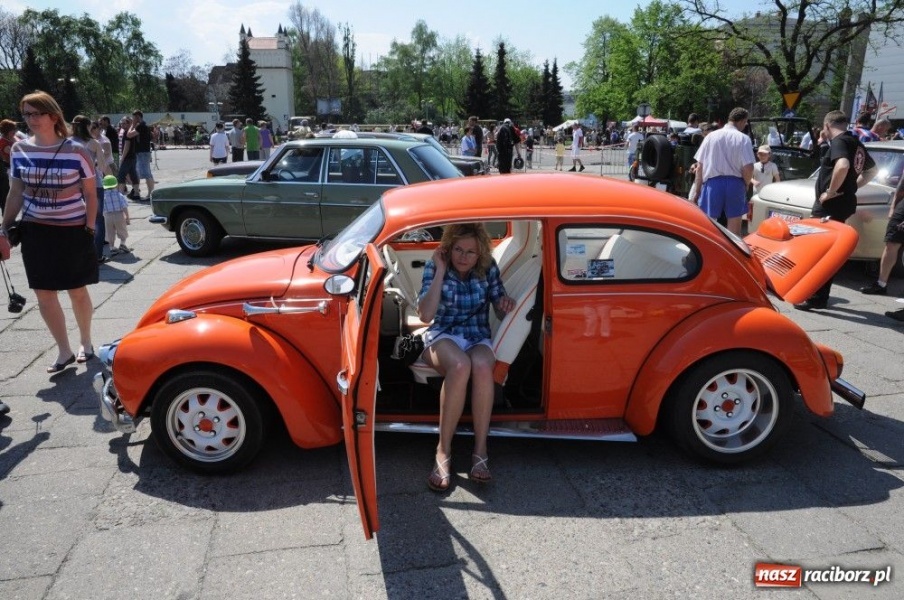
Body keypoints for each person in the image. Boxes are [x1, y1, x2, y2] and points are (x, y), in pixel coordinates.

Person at [0, 90, 99, 378]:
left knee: (77, 290)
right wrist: (5, 226)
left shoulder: (76, 151)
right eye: (26, 114)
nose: (29, 119)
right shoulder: (19, 151)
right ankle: (63, 350)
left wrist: (90, 228)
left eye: (36, 113)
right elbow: (16, 192)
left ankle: (85, 341)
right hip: (35, 230)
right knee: (44, 293)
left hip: (72, 230)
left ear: (53, 115)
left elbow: (91, 194)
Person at [417, 223, 515, 491]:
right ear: (448, 248)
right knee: (460, 365)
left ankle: (480, 451)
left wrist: (504, 304)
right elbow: (426, 316)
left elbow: (499, 303)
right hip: (443, 335)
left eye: (470, 252)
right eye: (458, 249)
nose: (463, 257)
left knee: (482, 366)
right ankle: (442, 450)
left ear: (480, 252)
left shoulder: (488, 267)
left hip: (475, 336)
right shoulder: (435, 266)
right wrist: (439, 270)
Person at [795, 110, 878, 311]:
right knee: (827, 250)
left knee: (821, 251)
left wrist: (831, 191)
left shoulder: (839, 142)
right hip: (843, 203)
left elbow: (842, 165)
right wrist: (853, 186)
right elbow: (872, 170)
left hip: (830, 206)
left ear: (827, 125)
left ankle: (817, 296)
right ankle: (818, 294)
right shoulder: (855, 142)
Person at [690, 107, 756, 235]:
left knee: (708, 225)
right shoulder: (743, 138)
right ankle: (732, 252)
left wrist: (697, 191)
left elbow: (700, 167)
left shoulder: (711, 137)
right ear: (742, 121)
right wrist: (746, 183)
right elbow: (749, 168)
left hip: (712, 183)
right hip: (735, 184)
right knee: (734, 228)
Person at [71, 115, 112, 263]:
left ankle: (80, 253)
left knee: (77, 219)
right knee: (97, 220)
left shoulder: (68, 142)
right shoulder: (93, 143)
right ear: (88, 126)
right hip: (94, 184)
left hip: (73, 186)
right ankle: (97, 255)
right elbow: (102, 165)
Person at [101, 174, 130, 256]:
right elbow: (124, 206)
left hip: (107, 216)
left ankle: (112, 247)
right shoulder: (119, 195)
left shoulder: (103, 196)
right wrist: (127, 217)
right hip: (119, 215)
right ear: (116, 184)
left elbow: (101, 208)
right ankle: (122, 244)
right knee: (122, 230)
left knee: (110, 232)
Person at [130, 110, 155, 200]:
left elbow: (129, 135)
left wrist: (132, 125)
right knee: (146, 172)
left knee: (146, 173)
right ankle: (150, 193)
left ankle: (151, 194)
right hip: (144, 151)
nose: (133, 119)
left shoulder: (141, 126)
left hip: (142, 152)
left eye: (133, 117)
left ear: (137, 117)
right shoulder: (145, 125)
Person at [117, 116, 140, 200]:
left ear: (129, 123)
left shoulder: (128, 133)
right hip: (133, 157)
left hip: (127, 157)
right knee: (133, 175)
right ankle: (136, 193)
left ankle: (120, 195)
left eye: (124, 123)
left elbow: (127, 145)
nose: (122, 125)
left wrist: (122, 158)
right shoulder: (131, 132)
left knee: (121, 175)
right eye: (121, 123)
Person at [0, 119, 18, 214]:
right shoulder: (3, 142)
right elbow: (15, 154)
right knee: (8, 195)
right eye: (13, 129)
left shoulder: (10, 139)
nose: (15, 131)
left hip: (10, 170)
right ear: (7, 131)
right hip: (8, 171)